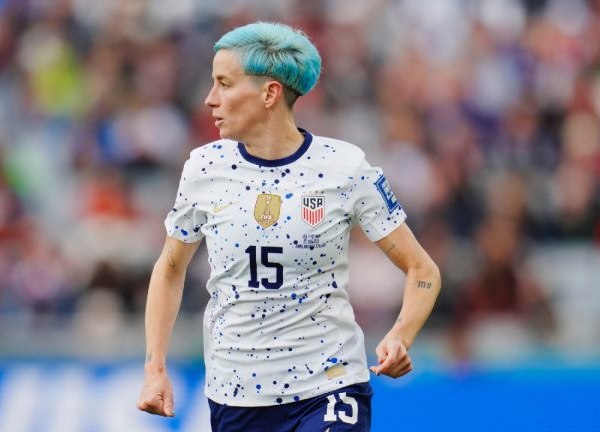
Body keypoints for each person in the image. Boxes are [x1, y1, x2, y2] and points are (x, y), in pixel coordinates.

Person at [137, 21, 441, 432]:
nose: (210, 100)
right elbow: (170, 269)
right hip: (237, 393)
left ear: (269, 93)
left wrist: (401, 335)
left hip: (331, 384)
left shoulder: (344, 168)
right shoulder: (203, 168)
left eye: (224, 84)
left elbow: (422, 270)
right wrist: (155, 366)